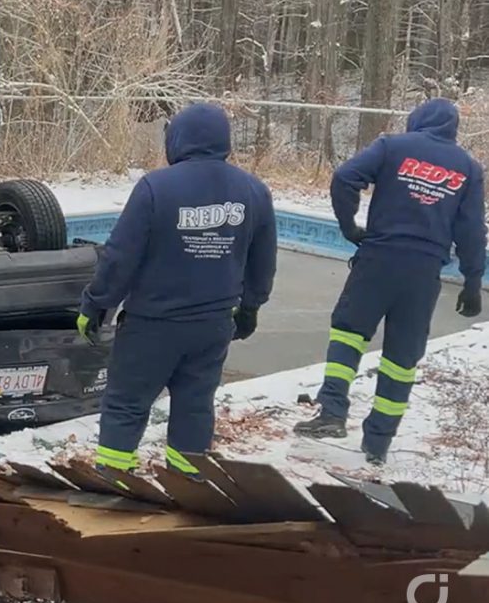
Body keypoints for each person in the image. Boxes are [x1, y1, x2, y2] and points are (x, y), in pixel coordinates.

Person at [77, 102, 277, 479]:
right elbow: (263, 260)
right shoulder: (253, 191)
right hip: (213, 326)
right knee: (195, 405)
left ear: (178, 139)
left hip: (153, 325)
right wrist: (250, 307)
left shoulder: (156, 188)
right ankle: (189, 483)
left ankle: (114, 480)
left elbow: (121, 255)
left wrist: (96, 304)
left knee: (126, 404)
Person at [293, 97, 486, 465]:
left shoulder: (393, 146)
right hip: (424, 272)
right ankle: (379, 443)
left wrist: (349, 226)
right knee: (402, 356)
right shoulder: (468, 168)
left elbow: (345, 177)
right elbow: (472, 229)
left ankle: (333, 411)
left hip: (379, 259)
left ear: (419, 121)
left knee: (349, 332)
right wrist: (472, 280)